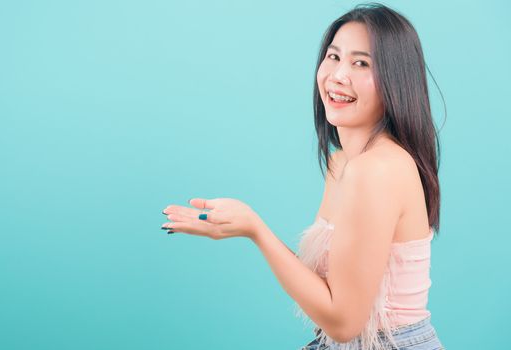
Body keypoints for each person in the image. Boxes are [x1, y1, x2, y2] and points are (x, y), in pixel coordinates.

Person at [159, 2, 445, 349]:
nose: (338, 75)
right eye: (333, 57)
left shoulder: (376, 170)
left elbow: (343, 322)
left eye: (361, 63)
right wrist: (243, 228)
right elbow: (327, 298)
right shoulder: (344, 165)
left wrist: (256, 230)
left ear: (394, 80)